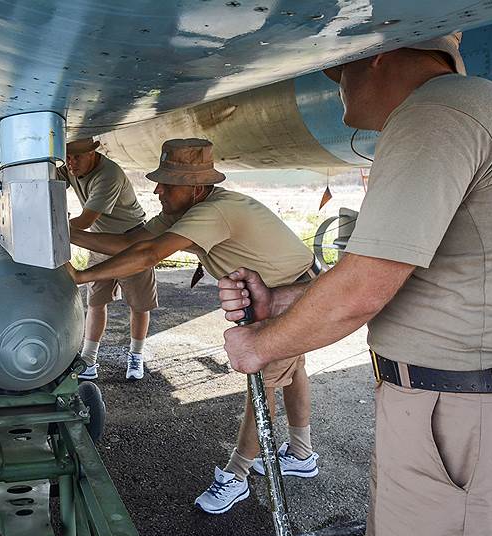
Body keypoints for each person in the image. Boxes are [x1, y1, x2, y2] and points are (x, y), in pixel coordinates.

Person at [219, 34, 492, 536]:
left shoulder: (436, 113)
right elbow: (410, 276)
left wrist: (259, 345)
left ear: (378, 57)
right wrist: (281, 303)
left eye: (342, 74)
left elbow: (363, 288)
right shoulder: (460, 107)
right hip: (460, 403)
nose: (340, 89)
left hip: (465, 414)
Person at [66, 138, 320, 515]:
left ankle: (237, 475)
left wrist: (84, 276)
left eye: (168, 184)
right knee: (291, 369)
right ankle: (300, 453)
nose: (157, 190)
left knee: (264, 381)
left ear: (197, 188)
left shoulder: (216, 210)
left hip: (291, 296)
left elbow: (150, 254)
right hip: (285, 287)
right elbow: (130, 241)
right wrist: (64, 232)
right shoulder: (185, 211)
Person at [59, 137, 157, 381]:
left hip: (132, 241)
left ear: (93, 153)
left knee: (138, 305)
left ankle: (136, 356)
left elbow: (84, 221)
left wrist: (52, 228)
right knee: (96, 301)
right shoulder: (72, 166)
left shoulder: (108, 175)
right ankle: (89, 359)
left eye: (77, 157)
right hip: (100, 241)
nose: (71, 163)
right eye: (67, 157)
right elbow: (47, 179)